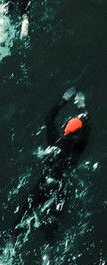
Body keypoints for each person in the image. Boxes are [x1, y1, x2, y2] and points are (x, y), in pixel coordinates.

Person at [15, 88, 90, 234]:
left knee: (24, 212)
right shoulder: (77, 147)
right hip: (60, 189)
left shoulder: (55, 141)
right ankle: (47, 253)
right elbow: (86, 129)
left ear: (65, 130)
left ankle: (11, 241)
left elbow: (48, 118)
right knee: (52, 222)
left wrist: (62, 101)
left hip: (45, 182)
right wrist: (82, 108)